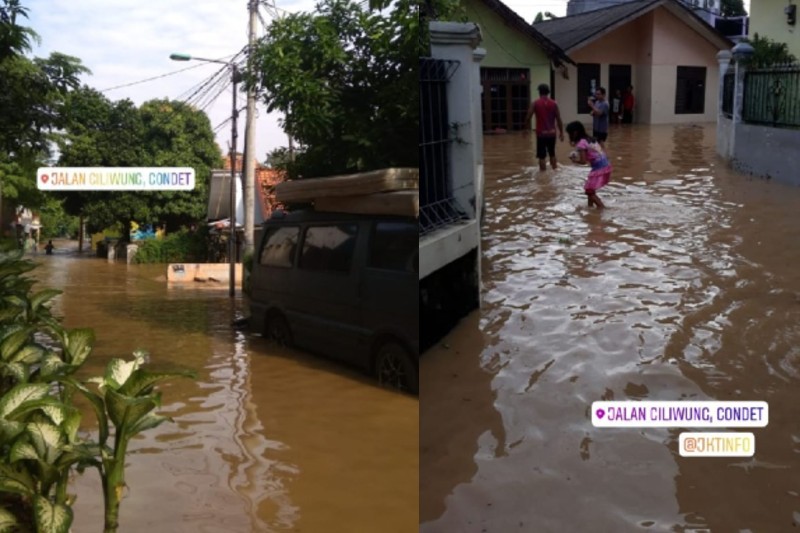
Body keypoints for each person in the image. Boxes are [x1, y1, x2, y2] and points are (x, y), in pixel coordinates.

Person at [566, 121, 612, 209]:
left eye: (570, 133)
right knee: (590, 190)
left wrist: (574, 161)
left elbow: (583, 161)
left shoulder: (581, 144)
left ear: (575, 132)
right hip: (606, 165)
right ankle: (590, 208)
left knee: (589, 191)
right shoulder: (590, 138)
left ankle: (603, 209)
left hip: (599, 168)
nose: (569, 136)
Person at [523, 83, 564, 171]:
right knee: (552, 153)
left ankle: (543, 176)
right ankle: (555, 171)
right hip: (552, 133)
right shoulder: (554, 103)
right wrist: (562, 133)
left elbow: (528, 116)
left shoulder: (535, 103)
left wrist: (526, 128)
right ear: (548, 92)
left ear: (539, 92)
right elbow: (559, 119)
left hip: (541, 134)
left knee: (541, 156)